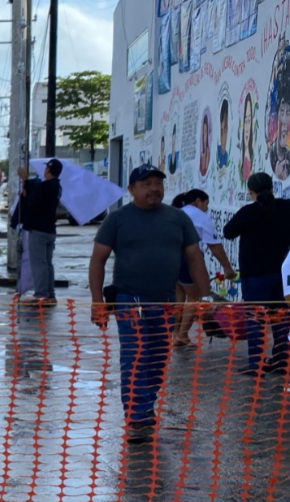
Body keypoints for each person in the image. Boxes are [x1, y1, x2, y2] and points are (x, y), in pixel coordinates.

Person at [90, 164, 207, 443]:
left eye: (158, 182)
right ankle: (137, 418)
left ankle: (144, 407)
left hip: (166, 302)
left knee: (157, 360)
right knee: (134, 359)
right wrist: (97, 302)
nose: (154, 188)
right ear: (131, 190)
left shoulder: (178, 219)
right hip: (129, 301)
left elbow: (194, 258)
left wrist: (204, 297)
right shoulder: (117, 220)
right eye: (146, 184)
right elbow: (98, 260)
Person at [223, 172, 290, 374]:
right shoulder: (286, 208)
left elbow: (228, 232)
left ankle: (257, 364)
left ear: (250, 191)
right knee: (282, 318)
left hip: (255, 275)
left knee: (256, 319)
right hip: (283, 274)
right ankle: (281, 361)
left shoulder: (248, 212)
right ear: (272, 187)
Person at [173, 189, 236, 347]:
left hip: (170, 259)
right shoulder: (201, 217)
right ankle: (182, 336)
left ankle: (175, 332)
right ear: (198, 201)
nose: (206, 208)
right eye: (206, 204)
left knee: (179, 296)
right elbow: (214, 246)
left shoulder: (176, 213)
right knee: (194, 298)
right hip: (188, 259)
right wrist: (228, 268)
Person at [17, 158, 63, 305]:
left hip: (39, 230)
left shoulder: (47, 186)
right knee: (47, 263)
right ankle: (50, 294)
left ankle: (41, 295)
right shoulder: (56, 186)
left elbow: (31, 201)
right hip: (50, 230)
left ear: (48, 169)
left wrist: (25, 180)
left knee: (39, 264)